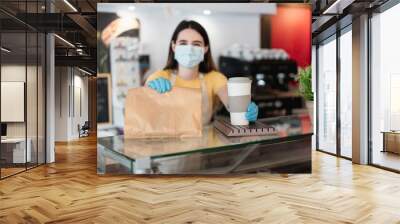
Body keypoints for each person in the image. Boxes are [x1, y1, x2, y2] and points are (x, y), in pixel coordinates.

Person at [145, 20, 258, 124]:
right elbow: (143, 104)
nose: (189, 49)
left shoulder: (214, 78)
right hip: (167, 144)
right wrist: (149, 92)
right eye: (183, 43)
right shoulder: (160, 76)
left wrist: (244, 109)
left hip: (203, 143)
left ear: (205, 49)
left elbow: (231, 103)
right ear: (174, 46)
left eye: (196, 44)